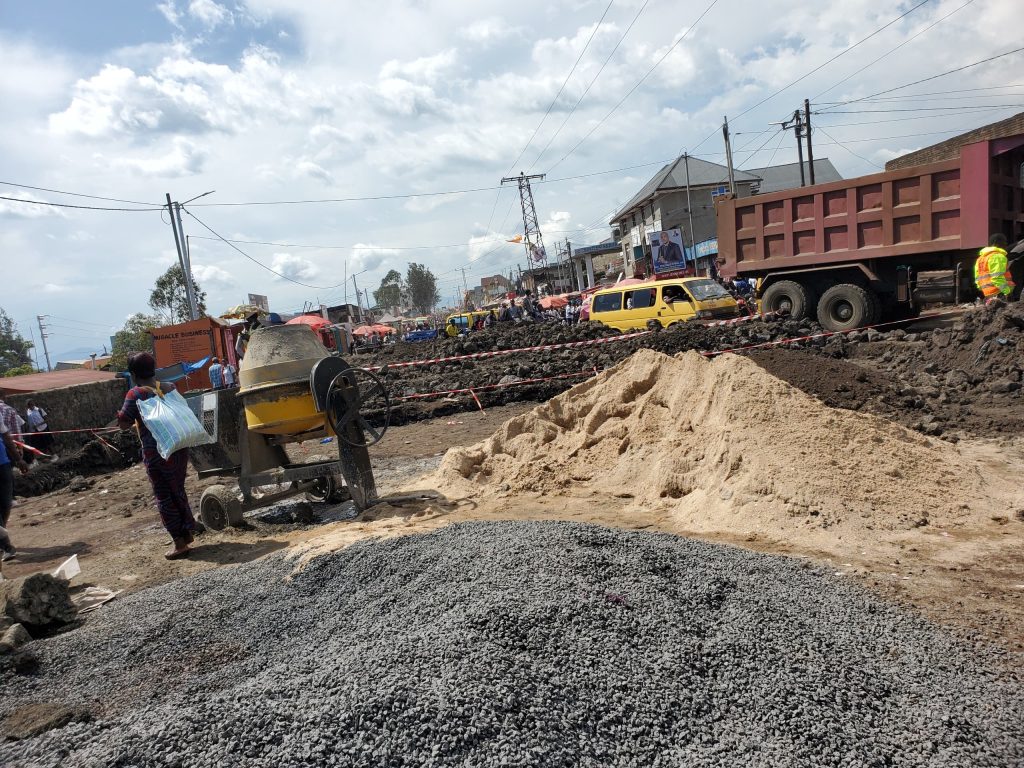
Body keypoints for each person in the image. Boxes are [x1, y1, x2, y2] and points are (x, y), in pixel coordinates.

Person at [117, 352, 196, 560]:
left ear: (133, 374)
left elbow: (124, 423)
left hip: (156, 451)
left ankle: (179, 543)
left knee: (163, 496)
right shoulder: (169, 387)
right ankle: (187, 532)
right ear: (154, 369)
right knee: (177, 489)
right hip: (178, 446)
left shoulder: (135, 394)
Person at [0, 418, 28, 561]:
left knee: (6, 504)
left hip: (2, 463)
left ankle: (1, 535)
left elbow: (5, 435)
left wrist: (18, 459)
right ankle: (6, 546)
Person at [975, 233, 1015, 303]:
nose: (1006, 244)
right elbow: (997, 277)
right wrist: (1007, 292)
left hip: (988, 294)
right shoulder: (998, 256)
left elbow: (977, 278)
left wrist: (984, 290)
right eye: (1004, 241)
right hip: (1000, 293)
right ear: (996, 242)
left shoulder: (980, 258)